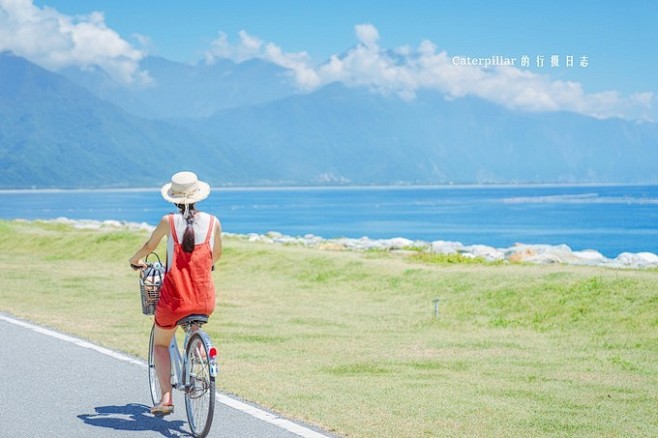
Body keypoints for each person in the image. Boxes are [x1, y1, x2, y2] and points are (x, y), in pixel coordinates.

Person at [129, 171, 222, 416]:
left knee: (161, 343)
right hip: (204, 299)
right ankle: (201, 360)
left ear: (173, 199)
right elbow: (216, 255)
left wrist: (135, 260)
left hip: (176, 298)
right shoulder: (214, 222)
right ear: (198, 196)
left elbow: (150, 246)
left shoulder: (168, 221)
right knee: (194, 326)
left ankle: (166, 398)